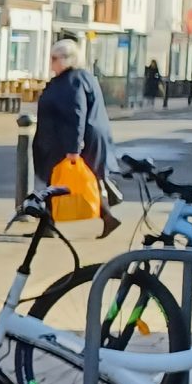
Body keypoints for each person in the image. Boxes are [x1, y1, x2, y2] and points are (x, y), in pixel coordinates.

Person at [33, 36, 118, 236]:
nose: (51, 62)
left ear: (67, 59)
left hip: (70, 141)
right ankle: (49, 224)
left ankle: (105, 215)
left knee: (59, 181)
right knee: (63, 181)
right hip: (70, 139)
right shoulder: (77, 77)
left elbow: (76, 113)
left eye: (54, 58)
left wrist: (73, 148)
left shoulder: (72, 81)